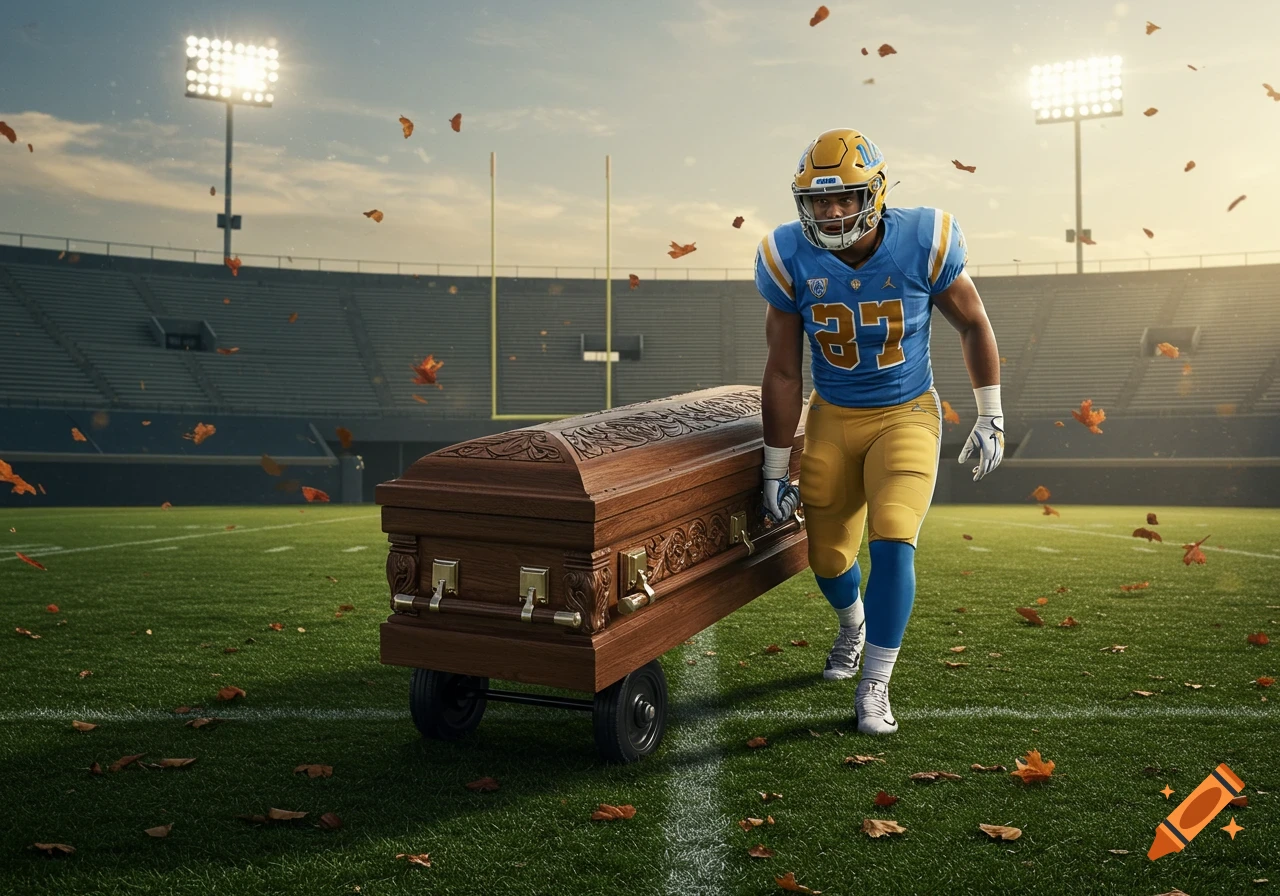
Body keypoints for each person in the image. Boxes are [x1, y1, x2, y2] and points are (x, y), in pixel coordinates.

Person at [755, 127, 1005, 735]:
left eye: (845, 197)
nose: (832, 212)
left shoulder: (922, 240)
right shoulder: (787, 255)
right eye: (819, 201)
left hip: (905, 412)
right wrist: (774, 465)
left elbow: (973, 322)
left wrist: (990, 411)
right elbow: (783, 370)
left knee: (894, 533)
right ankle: (852, 625)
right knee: (827, 557)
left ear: (876, 193)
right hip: (833, 415)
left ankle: (875, 682)